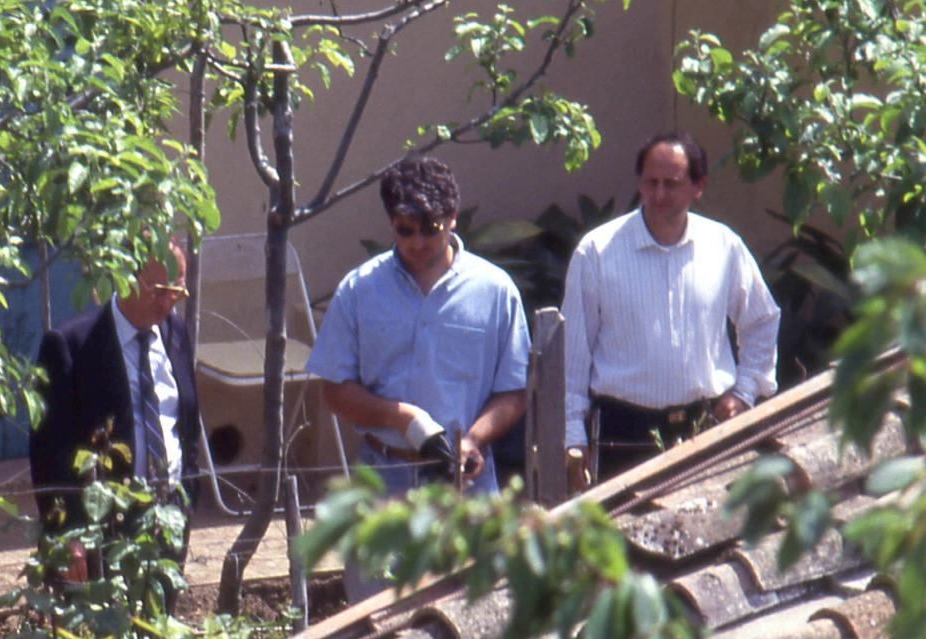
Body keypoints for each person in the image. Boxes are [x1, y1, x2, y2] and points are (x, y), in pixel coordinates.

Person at [306, 157, 531, 602]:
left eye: (430, 228)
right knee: (374, 620)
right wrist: (396, 415)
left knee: (469, 616)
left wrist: (474, 439)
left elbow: (513, 392)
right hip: (383, 475)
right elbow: (334, 390)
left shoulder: (494, 289)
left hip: (463, 482)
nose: (418, 242)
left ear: (452, 217)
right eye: (404, 229)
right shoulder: (359, 288)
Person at [561, 131, 781, 487]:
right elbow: (572, 353)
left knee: (712, 537)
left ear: (699, 186)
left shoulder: (723, 246)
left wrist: (743, 392)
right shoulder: (597, 252)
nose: (659, 195)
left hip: (706, 429)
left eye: (672, 183)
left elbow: (762, 319)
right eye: (651, 182)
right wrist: (573, 433)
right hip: (623, 435)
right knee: (623, 542)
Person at [28, 240, 200, 582]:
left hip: (167, 524)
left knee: (160, 630)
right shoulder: (71, 344)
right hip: (98, 535)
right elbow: (49, 454)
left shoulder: (175, 332)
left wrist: (187, 503)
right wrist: (67, 535)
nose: (168, 303)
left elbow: (186, 424)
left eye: (177, 292)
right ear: (125, 279)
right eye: (159, 291)